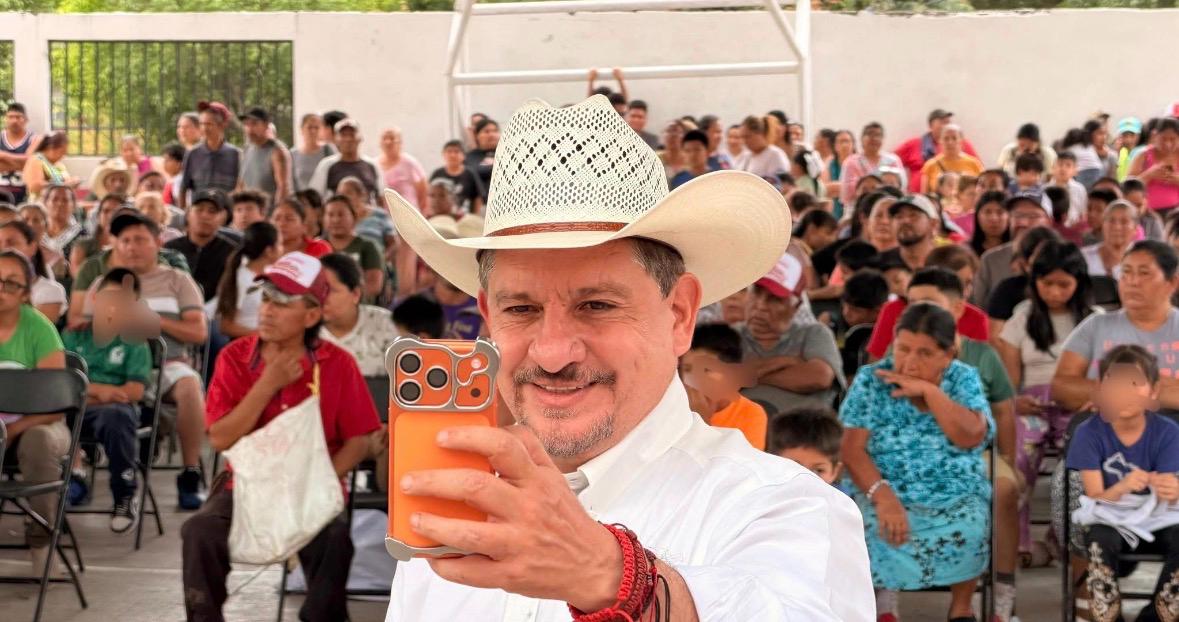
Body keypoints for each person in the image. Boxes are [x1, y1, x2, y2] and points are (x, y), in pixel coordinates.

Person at [382, 95, 871, 621]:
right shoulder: (448, 519)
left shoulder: (785, 509)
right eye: (520, 308)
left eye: (597, 306)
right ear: (487, 317)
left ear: (680, 314)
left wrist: (611, 579)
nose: (551, 354)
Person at [183, 251, 381, 622]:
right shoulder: (234, 358)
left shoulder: (337, 364)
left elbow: (360, 440)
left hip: (313, 487)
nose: (268, 310)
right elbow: (221, 439)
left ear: (311, 315)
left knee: (335, 542)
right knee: (200, 531)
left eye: (283, 302)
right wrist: (268, 383)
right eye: (266, 299)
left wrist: (316, 481)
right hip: (244, 487)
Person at [840, 302, 993, 621]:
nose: (909, 361)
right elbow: (852, 451)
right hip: (882, 484)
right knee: (867, 522)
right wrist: (884, 498)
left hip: (956, 489)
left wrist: (930, 392)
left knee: (972, 522)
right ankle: (883, 604)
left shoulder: (963, 379)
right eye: (903, 348)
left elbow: (971, 435)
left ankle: (962, 607)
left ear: (948, 354)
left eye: (924, 353)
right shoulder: (871, 380)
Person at [81, 211, 209, 509]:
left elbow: (198, 332)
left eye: (140, 239)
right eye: (124, 240)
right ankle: (75, 472)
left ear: (157, 242)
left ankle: (190, 473)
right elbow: (83, 329)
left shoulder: (177, 280)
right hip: (110, 369)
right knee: (70, 384)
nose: (131, 246)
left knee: (190, 385)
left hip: (166, 365)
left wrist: (153, 322)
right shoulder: (103, 282)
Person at [994, 241, 1096, 562]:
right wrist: (1016, 402)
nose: (1054, 292)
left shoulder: (1095, 321)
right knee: (1019, 451)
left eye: (1063, 284)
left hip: (1079, 404)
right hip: (1032, 405)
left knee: (1081, 457)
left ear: (1079, 283)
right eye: (1046, 283)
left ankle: (1064, 536)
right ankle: (1020, 542)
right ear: (1034, 283)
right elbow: (1007, 384)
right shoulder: (1021, 320)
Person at [1066, 344, 1179, 622]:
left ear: (1153, 392)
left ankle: (1157, 616)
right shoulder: (1088, 432)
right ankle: (1108, 617)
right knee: (1098, 541)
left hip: (1156, 518)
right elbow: (1095, 496)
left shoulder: (1168, 432)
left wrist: (1172, 490)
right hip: (1109, 516)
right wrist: (1123, 486)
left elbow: (1169, 494)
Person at [61, 267, 152, 532]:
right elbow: (61, 381)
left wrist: (87, 392)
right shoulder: (73, 335)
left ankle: (124, 494)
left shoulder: (135, 342)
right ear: (95, 300)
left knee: (117, 415)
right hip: (74, 407)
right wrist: (99, 390)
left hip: (110, 412)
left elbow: (133, 391)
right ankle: (66, 486)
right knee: (50, 412)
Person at [1054, 240, 1179, 416]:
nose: (1133, 282)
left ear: (1172, 283)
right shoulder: (1096, 325)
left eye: (1144, 273)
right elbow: (1061, 387)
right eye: (1125, 272)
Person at [0, 249, 68, 571]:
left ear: (26, 292)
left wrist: (13, 428)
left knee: (38, 440)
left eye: (11, 284)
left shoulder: (40, 329)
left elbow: (54, 405)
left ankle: (41, 539)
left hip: (39, 424)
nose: (1, 289)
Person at [740, 253, 845, 416]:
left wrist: (744, 376)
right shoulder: (729, 335)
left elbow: (819, 377)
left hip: (801, 434)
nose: (760, 306)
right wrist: (784, 362)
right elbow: (713, 378)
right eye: (756, 292)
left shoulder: (813, 333)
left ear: (796, 306)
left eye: (774, 299)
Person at [866, 246, 990, 361]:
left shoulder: (976, 319)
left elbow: (979, 371)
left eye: (968, 283)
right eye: (955, 284)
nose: (964, 291)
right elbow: (874, 364)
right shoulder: (893, 310)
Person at [680, 323, 768, 450]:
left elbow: (736, 468)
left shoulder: (751, 414)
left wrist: (701, 422)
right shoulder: (673, 403)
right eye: (687, 369)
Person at [317, 253, 400, 377]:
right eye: (317, 290)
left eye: (331, 290)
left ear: (355, 294)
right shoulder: (303, 330)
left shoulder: (386, 325)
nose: (322, 298)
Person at [971, 191, 1054, 307]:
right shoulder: (991, 260)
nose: (1023, 223)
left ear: (1049, 221)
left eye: (1033, 216)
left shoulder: (1063, 256)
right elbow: (978, 306)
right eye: (1018, 215)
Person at [164, 189, 239, 303]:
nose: (205, 216)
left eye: (212, 211)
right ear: (188, 214)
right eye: (199, 210)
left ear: (223, 218)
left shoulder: (231, 252)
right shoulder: (170, 249)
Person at [213, 221, 280, 339]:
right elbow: (226, 325)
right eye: (280, 244)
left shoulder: (272, 276)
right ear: (269, 251)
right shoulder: (242, 278)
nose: (282, 249)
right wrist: (262, 335)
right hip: (245, 346)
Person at [894, 109, 979, 193]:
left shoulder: (964, 145)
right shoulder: (914, 144)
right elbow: (892, 161)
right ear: (931, 126)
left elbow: (978, 170)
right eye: (942, 122)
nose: (950, 142)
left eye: (948, 122)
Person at [176, 101, 242, 210]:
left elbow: (240, 188)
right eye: (202, 124)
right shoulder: (193, 153)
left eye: (209, 124)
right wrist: (183, 215)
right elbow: (184, 187)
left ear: (223, 125)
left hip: (226, 213)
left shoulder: (235, 154)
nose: (205, 128)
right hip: (199, 212)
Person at [0, 220, 66, 322]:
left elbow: (30, 334)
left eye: (11, 243)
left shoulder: (49, 291)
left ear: (32, 247)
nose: (3, 249)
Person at [321, 193, 384, 299]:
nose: (336, 220)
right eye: (330, 215)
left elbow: (374, 286)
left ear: (354, 217)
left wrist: (345, 300)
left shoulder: (368, 246)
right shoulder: (317, 246)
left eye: (341, 214)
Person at [308, 119, 384, 204]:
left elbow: (381, 197)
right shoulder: (326, 165)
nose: (348, 139)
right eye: (343, 135)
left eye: (352, 134)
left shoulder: (372, 165)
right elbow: (314, 197)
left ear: (360, 138)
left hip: (367, 215)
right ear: (336, 139)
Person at [768, 407, 843, 485]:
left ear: (834, 472)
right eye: (794, 467)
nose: (806, 481)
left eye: (818, 471)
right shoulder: (759, 494)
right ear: (771, 465)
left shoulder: (842, 497)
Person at [839, 268, 889, 379]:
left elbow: (850, 381)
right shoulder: (839, 323)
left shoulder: (858, 335)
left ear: (878, 311)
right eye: (844, 305)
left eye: (855, 310)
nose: (846, 313)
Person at [238, 107, 292, 206]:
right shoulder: (245, 150)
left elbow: (283, 188)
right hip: (249, 211)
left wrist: (275, 216)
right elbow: (241, 184)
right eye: (246, 124)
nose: (249, 129)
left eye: (254, 124)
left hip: (268, 213)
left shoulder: (277, 151)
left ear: (266, 125)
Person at [1129, 117, 1179, 217]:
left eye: (1172, 139)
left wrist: (1176, 180)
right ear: (1154, 136)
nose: (1168, 144)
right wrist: (1149, 175)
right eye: (1163, 139)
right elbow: (1129, 187)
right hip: (1148, 214)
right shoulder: (1143, 156)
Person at [878, 194, 939, 273]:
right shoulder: (880, 265)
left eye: (913, 215)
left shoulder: (947, 263)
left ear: (933, 223)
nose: (905, 221)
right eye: (899, 216)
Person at [919, 124, 984, 194]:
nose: (950, 142)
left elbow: (982, 191)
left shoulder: (974, 164)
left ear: (961, 141)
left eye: (954, 138)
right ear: (940, 141)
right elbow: (924, 196)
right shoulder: (930, 165)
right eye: (946, 138)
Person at [379, 127, 429, 215]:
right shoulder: (375, 165)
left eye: (392, 138)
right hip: (385, 219)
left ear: (400, 142)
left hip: (409, 216)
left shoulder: (410, 163)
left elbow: (423, 192)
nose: (388, 142)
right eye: (384, 139)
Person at [1082, 199, 1137, 278]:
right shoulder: (1084, 257)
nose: (1117, 227)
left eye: (1124, 222)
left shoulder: (1142, 261)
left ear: (1135, 228)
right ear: (1103, 225)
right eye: (1111, 221)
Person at [0, 103, 42, 204]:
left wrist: (3, 156)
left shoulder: (35, 139)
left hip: (26, 195)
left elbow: (31, 163)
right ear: (5, 119)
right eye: (11, 117)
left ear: (26, 120)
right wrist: (23, 163)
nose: (14, 121)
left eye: (18, 117)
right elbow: (27, 161)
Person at [429, 140, 484, 215]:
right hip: (441, 216)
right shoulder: (437, 174)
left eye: (456, 152)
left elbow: (478, 198)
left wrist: (476, 216)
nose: (452, 155)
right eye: (449, 151)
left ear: (464, 155)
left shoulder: (470, 174)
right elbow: (429, 195)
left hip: (465, 217)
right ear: (443, 154)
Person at [734, 115, 791, 182]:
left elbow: (780, 182)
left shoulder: (775, 155)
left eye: (747, 137)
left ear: (760, 134)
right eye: (742, 137)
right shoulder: (744, 156)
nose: (744, 141)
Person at [22, 130, 74, 202]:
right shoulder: (36, 160)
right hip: (40, 203)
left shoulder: (58, 165)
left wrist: (72, 182)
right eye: (61, 152)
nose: (63, 156)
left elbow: (65, 180)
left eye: (65, 153)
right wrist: (63, 185)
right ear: (50, 148)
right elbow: (34, 185)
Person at [293, 113, 334, 192]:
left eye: (317, 127)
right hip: (302, 201)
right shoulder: (293, 154)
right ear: (302, 129)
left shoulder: (328, 150)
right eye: (310, 127)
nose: (313, 131)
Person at [41, 182, 84, 260]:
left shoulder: (82, 235)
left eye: (65, 200)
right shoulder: (36, 232)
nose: (60, 203)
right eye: (55, 199)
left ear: (73, 205)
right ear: (45, 203)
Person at [465, 117, 499, 203]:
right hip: (484, 204)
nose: (491, 134)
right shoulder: (471, 157)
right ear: (477, 136)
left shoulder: (510, 154)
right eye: (486, 131)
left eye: (495, 131)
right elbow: (474, 172)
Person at [969, 190, 1011, 257]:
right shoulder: (968, 251)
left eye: (1000, 212)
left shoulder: (1017, 250)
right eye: (987, 212)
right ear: (977, 216)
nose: (994, 218)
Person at [1115, 117, 1142, 182]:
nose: (1128, 140)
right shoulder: (1118, 152)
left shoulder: (1142, 153)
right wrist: (1116, 153)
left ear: (1139, 136)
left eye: (1132, 135)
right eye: (1125, 135)